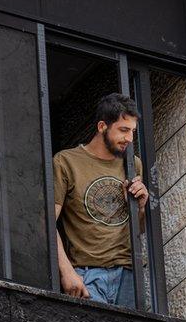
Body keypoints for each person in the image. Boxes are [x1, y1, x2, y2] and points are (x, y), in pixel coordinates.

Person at [52, 93, 149, 307]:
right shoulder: (66, 162)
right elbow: (47, 222)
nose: (130, 139)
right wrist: (66, 271)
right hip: (87, 275)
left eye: (132, 131)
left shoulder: (133, 165)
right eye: (123, 130)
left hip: (128, 275)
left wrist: (140, 207)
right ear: (102, 126)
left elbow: (139, 229)